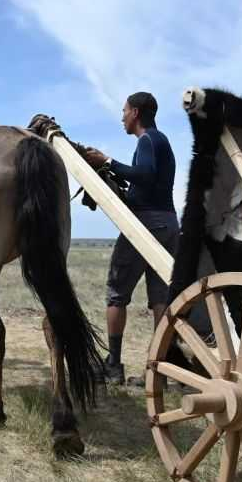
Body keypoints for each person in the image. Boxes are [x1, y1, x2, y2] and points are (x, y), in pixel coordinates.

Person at [85, 92, 178, 384]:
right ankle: (160, 373)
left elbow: (145, 175)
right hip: (167, 223)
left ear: (135, 112)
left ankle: (113, 366)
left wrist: (107, 161)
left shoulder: (148, 140)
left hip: (146, 225)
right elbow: (147, 181)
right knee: (160, 298)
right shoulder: (160, 140)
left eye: (124, 111)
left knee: (116, 293)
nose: (122, 117)